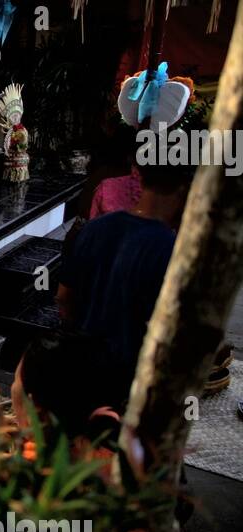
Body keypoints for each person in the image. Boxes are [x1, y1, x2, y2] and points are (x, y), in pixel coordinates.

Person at [56, 161, 194, 394]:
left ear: (141, 179)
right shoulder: (171, 252)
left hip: (81, 365)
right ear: (184, 190)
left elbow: (63, 297)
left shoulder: (95, 228)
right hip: (127, 379)